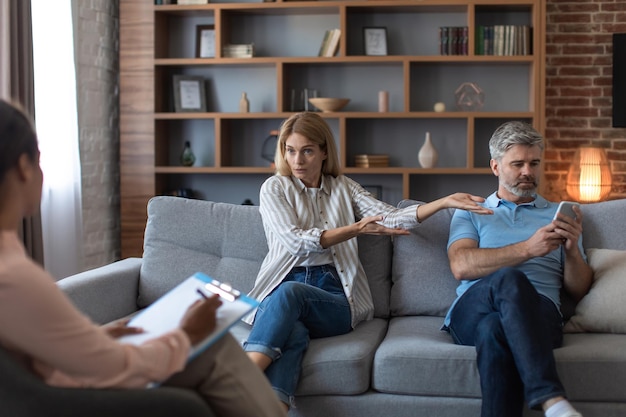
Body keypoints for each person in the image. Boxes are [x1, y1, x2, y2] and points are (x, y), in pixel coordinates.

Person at [0, 99, 287, 417]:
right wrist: (187, 333)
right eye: (39, 160)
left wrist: (102, 336)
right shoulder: (15, 276)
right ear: (24, 168)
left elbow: (39, 349)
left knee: (211, 352)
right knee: (212, 346)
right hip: (77, 396)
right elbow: (113, 367)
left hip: (70, 378)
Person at [242, 111, 493, 410]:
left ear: (323, 152)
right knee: (293, 332)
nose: (298, 160)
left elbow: (389, 216)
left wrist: (443, 202)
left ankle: (239, 379)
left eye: (307, 150)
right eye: (290, 150)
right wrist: (355, 229)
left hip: (334, 297)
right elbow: (295, 242)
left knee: (290, 295)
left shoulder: (343, 187)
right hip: (282, 290)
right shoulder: (274, 188)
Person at [443, 121, 593, 417]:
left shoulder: (559, 215)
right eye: (518, 164)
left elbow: (579, 290)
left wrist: (573, 250)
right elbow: (460, 266)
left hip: (541, 313)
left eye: (534, 163)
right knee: (510, 279)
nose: (528, 171)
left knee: (493, 329)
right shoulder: (471, 212)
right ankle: (550, 398)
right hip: (473, 309)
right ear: (496, 167)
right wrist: (527, 249)